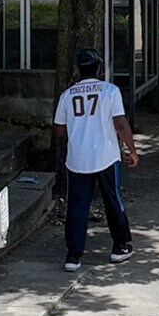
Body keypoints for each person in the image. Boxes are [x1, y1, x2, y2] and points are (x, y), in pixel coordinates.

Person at [53, 47, 138, 271]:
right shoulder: (110, 91)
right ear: (99, 67)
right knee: (113, 200)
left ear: (78, 68)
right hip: (106, 155)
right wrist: (132, 149)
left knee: (77, 206)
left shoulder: (67, 95)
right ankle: (120, 246)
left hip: (78, 158)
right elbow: (120, 123)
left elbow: (60, 130)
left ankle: (73, 255)